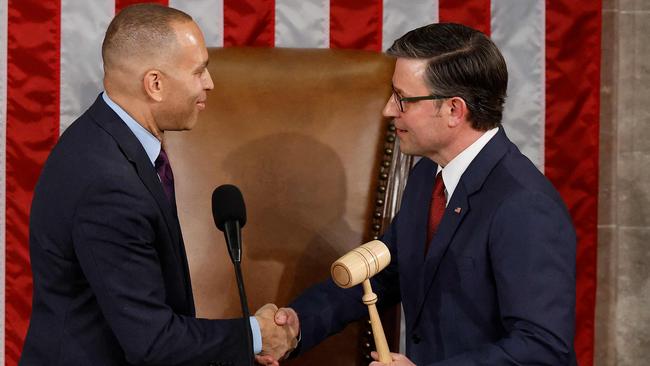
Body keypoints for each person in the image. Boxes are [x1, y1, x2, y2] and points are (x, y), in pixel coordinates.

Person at [268, 23, 577, 365]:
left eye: (402, 99)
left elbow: (543, 349)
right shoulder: (427, 175)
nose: (388, 109)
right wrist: (299, 323)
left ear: (454, 110)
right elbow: (388, 272)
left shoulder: (524, 205)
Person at [20, 4, 296, 365]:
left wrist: (234, 347)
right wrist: (257, 334)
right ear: (155, 84)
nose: (209, 83)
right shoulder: (109, 185)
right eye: (199, 71)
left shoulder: (106, 142)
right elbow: (153, 343)